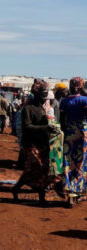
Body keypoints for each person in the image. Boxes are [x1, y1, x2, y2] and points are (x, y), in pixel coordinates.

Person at [12, 79, 63, 204]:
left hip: (41, 143)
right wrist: (46, 127)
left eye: (46, 95)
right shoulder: (27, 109)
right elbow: (27, 126)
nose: (45, 98)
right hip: (30, 144)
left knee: (41, 170)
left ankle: (37, 196)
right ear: (36, 95)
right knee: (39, 167)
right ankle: (21, 190)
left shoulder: (42, 108)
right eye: (43, 95)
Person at [60, 77, 87, 206]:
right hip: (83, 134)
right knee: (81, 163)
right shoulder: (84, 100)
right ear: (81, 86)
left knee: (68, 162)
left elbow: (62, 121)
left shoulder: (64, 101)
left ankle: (70, 194)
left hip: (69, 134)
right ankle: (77, 193)